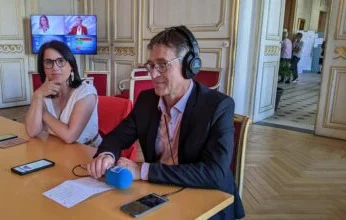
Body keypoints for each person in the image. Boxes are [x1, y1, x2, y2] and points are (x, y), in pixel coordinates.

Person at [85, 25, 244, 219]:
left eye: (162, 65)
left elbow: (214, 173)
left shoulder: (218, 106)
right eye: (151, 65)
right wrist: (107, 155)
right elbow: (118, 137)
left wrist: (142, 170)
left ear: (189, 66)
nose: (153, 74)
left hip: (208, 199)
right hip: (160, 192)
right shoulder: (146, 101)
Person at [25, 40, 101, 147]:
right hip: (57, 149)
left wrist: (43, 112)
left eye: (61, 61)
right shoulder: (42, 93)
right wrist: (37, 96)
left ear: (71, 65)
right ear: (43, 68)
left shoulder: (86, 91)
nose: (55, 67)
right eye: (48, 62)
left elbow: (70, 136)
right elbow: (32, 132)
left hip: (87, 151)